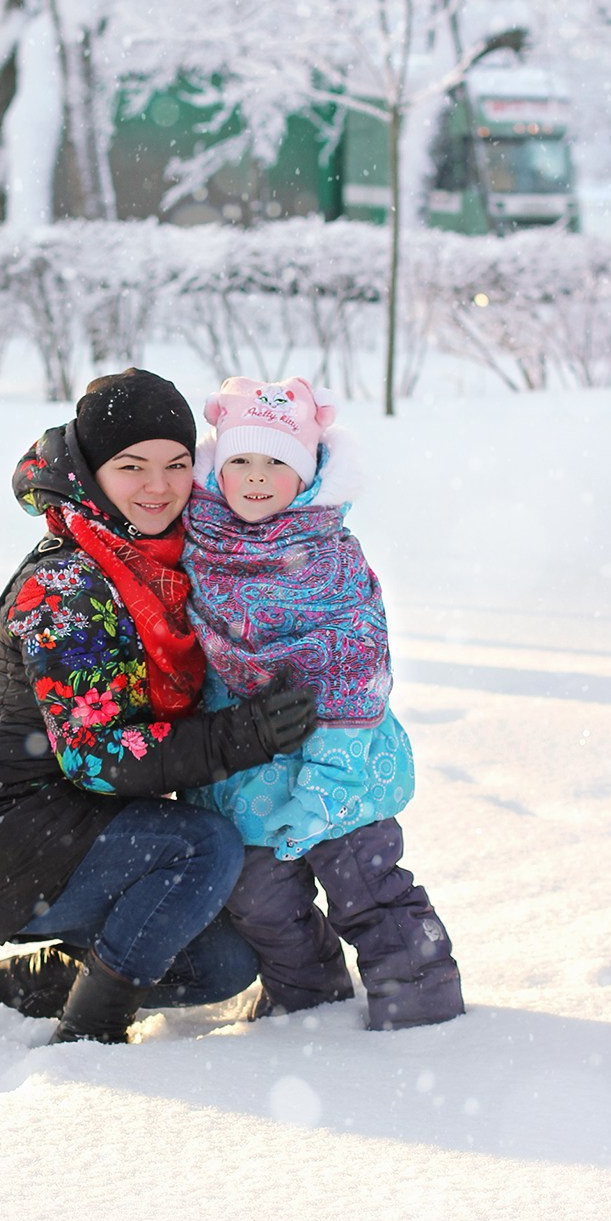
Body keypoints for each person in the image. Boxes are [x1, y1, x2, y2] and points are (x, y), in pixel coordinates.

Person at [0, 368, 317, 1044]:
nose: (158, 487)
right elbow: (98, 754)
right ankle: (89, 1030)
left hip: (85, 823)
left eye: (175, 465)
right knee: (202, 849)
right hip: (4, 831)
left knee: (224, 961)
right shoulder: (65, 587)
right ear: (90, 471)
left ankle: (52, 978)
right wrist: (238, 737)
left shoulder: (159, 558)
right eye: (131, 466)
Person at [182, 375, 464, 1030]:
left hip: (343, 765)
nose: (255, 477)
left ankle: (422, 1010)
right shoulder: (201, 549)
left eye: (276, 462)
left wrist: (326, 787)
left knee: (367, 891)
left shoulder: (326, 558)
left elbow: (352, 671)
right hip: (243, 776)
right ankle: (307, 1006)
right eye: (239, 461)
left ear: (307, 473)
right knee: (258, 903)